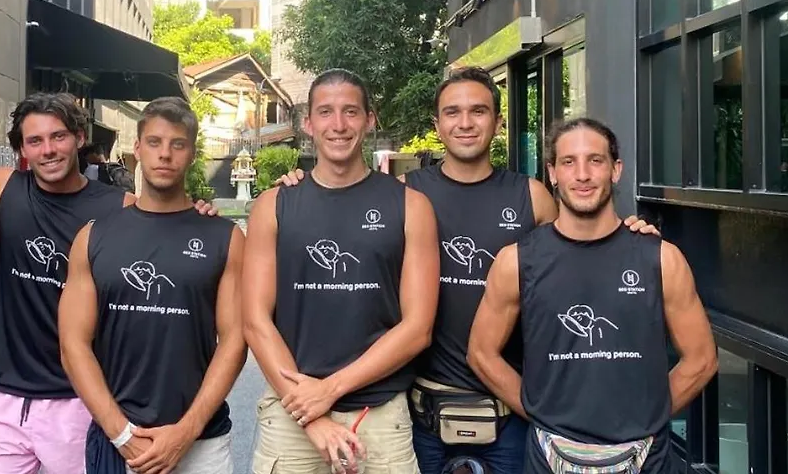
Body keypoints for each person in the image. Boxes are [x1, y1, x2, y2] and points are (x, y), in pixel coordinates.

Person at [279, 67, 659, 474]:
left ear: (498, 122)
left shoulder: (531, 197)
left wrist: (629, 235)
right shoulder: (405, 193)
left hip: (511, 413)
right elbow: (339, 207)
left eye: (478, 111)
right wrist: (300, 185)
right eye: (452, 112)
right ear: (437, 125)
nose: (465, 123)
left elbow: (583, 257)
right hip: (422, 411)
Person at [0, 92, 219, 474]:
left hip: (78, 398)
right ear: (22, 149)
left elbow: (166, 221)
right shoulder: (4, 187)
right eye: (35, 140)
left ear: (79, 138)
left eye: (58, 136)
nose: (48, 150)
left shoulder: (119, 207)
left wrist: (198, 214)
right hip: (5, 395)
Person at [468, 118, 717, 474]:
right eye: (569, 162)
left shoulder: (661, 258)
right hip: (549, 455)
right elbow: (481, 353)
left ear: (616, 170)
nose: (582, 174)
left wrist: (647, 416)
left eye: (595, 160)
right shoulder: (517, 261)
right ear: (552, 173)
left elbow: (702, 359)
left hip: (647, 457)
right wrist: (541, 412)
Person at [243, 68, 441, 474]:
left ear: (370, 120)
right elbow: (255, 320)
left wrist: (329, 390)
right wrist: (310, 414)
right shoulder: (273, 206)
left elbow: (418, 328)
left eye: (350, 112)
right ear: (308, 123)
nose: (338, 125)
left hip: (379, 416)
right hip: (291, 412)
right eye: (325, 112)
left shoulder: (411, 206)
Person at [60, 96, 247, 474]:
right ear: (137, 148)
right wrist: (121, 434)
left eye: (178, 144)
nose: (165, 154)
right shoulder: (93, 237)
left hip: (202, 444)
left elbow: (235, 341)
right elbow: (72, 345)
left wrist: (186, 431)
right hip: (120, 441)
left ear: (191, 153)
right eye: (155, 142)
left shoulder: (224, 238)